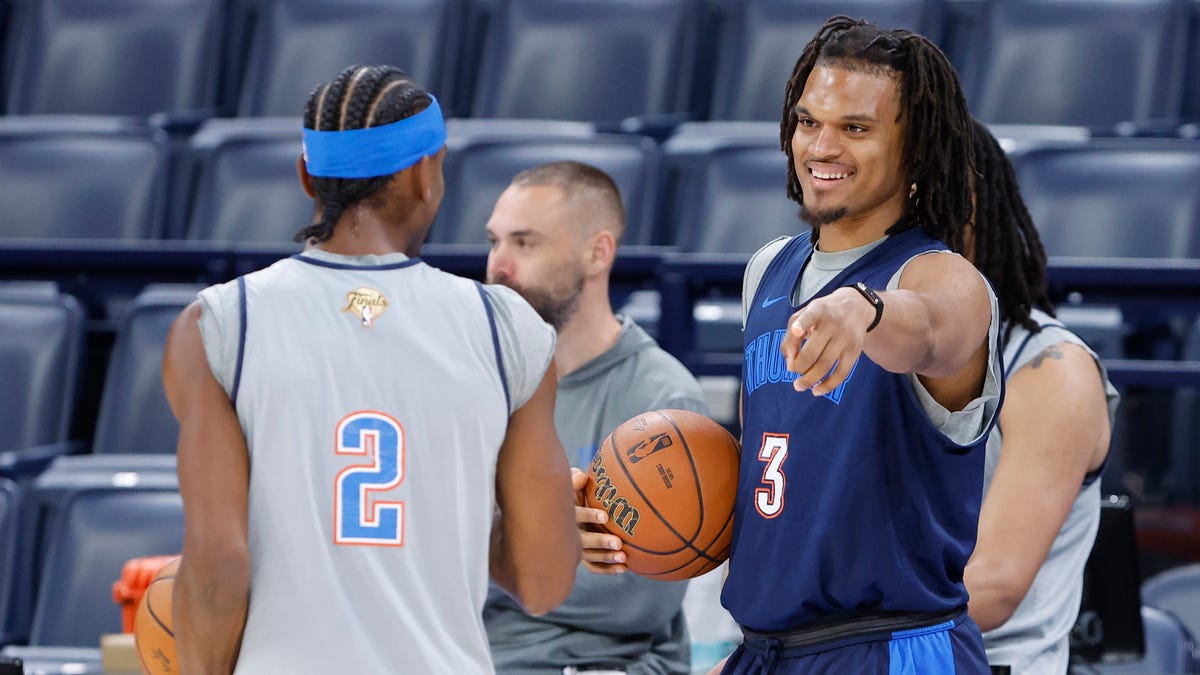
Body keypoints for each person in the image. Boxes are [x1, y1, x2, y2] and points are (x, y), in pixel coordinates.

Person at [163, 65, 580, 674]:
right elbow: (544, 580)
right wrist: (453, 510)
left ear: (307, 176)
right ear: (424, 176)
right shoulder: (505, 328)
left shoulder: (217, 326)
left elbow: (217, 569)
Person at [688, 16, 1003, 673]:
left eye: (854, 128)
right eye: (809, 123)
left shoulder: (941, 276)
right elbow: (775, 467)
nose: (820, 147)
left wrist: (866, 308)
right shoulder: (767, 271)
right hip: (766, 649)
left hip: (889, 646)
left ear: (914, 149)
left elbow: (937, 326)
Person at [482, 160, 712, 674]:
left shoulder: (664, 400)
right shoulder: (477, 380)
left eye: (525, 243)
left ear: (597, 252)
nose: (499, 265)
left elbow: (635, 601)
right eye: (495, 242)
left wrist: (478, 550)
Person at [962, 120, 1119, 674]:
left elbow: (995, 585)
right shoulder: (856, 353)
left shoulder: (1050, 370)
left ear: (982, 220)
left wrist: (823, 632)